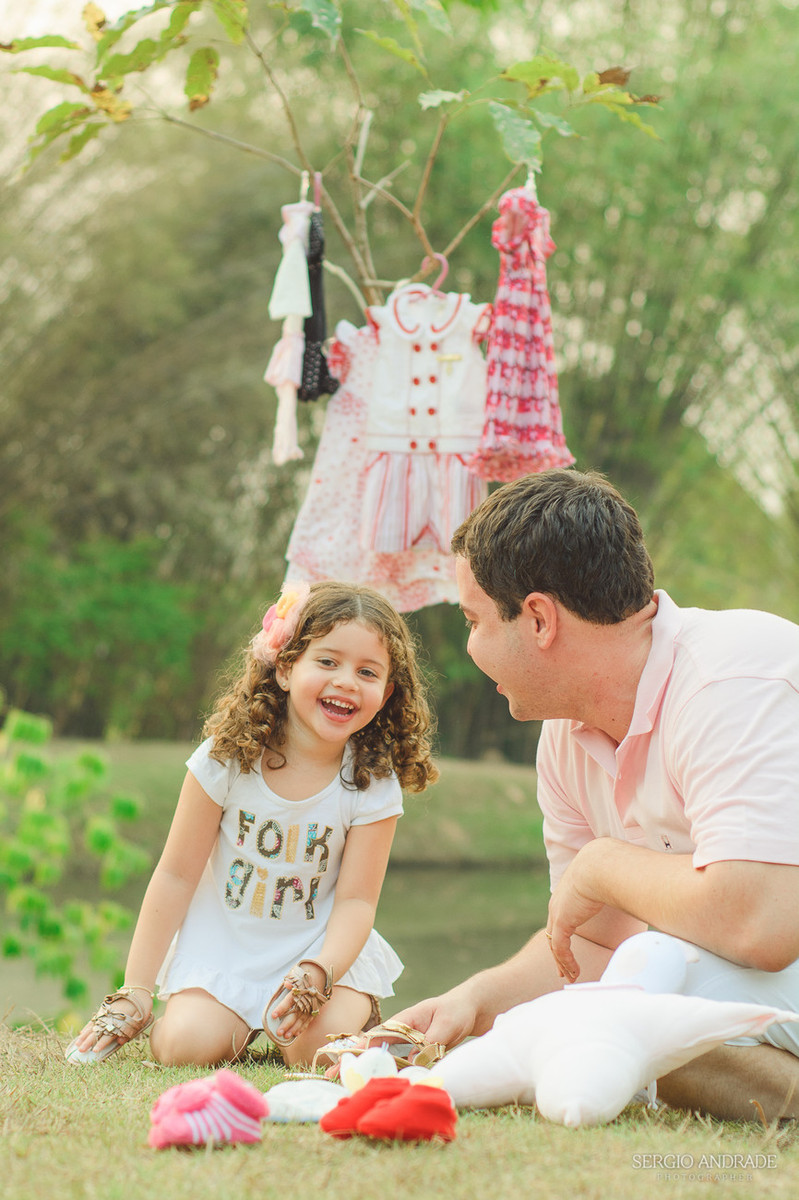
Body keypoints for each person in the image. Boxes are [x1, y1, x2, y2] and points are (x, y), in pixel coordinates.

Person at [395, 468, 799, 1121]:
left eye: (473, 621)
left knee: (642, 977)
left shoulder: (733, 678)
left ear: (537, 619)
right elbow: (587, 942)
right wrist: (475, 1000)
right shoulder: (564, 738)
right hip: (751, 993)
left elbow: (762, 926)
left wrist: (605, 864)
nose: (469, 645)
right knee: (624, 995)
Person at [66, 580, 439, 1069]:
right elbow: (175, 876)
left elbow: (356, 901)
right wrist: (136, 989)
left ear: (386, 692)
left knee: (316, 1052)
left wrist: (319, 971)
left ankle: (361, 1019)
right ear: (285, 667)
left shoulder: (371, 783)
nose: (347, 680)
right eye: (327, 662)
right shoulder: (226, 759)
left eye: (367, 672)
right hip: (226, 950)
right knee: (183, 1048)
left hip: (319, 956)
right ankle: (218, 1020)